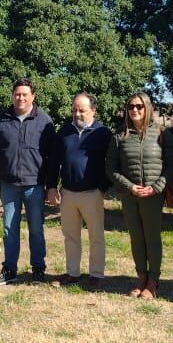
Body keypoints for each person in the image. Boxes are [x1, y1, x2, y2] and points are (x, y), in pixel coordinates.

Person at [105, 91, 173, 299]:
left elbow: (172, 166)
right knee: (136, 238)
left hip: (153, 195)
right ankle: (141, 278)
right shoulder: (120, 136)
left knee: (152, 237)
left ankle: (153, 281)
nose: (134, 110)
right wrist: (129, 187)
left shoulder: (162, 133)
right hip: (130, 195)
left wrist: (156, 187)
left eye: (139, 106)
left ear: (147, 108)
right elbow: (111, 168)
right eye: (130, 107)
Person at [0, 79, 56, 286]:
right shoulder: (2, 120)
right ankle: (10, 269)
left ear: (33, 96)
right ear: (12, 95)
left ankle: (38, 270)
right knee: (9, 229)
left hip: (34, 185)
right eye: (17, 94)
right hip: (8, 185)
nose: (21, 98)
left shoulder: (44, 121)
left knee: (36, 228)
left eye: (25, 94)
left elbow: (52, 157)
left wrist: (51, 185)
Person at [46, 92, 112, 290]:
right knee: (71, 236)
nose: (77, 114)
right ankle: (73, 273)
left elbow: (112, 163)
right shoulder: (64, 132)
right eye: (74, 110)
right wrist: (51, 186)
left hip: (92, 193)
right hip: (68, 193)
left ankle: (96, 275)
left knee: (96, 237)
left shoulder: (103, 133)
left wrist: (104, 188)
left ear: (93, 110)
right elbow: (54, 161)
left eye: (81, 110)